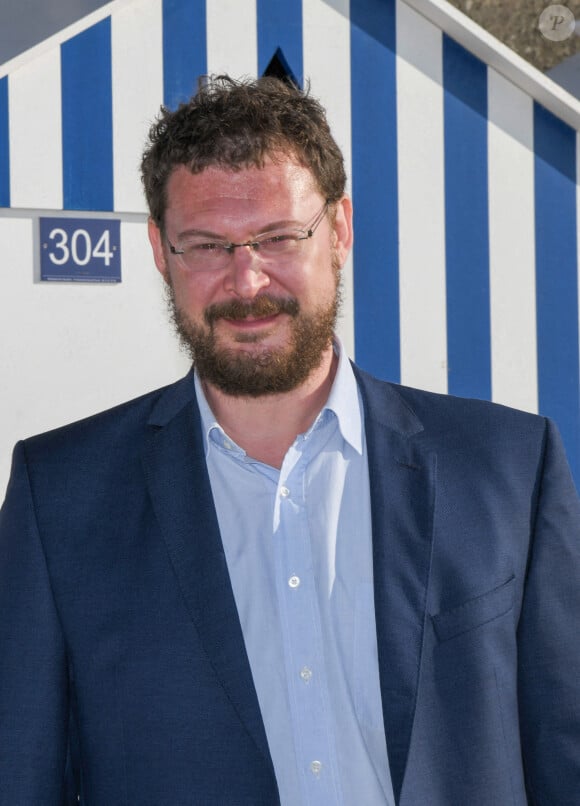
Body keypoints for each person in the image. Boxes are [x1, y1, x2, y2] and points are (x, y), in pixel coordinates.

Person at [0, 75, 579, 806]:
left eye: (278, 236)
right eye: (207, 243)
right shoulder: (61, 498)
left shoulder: (507, 471)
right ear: (159, 248)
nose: (247, 280)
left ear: (339, 230)